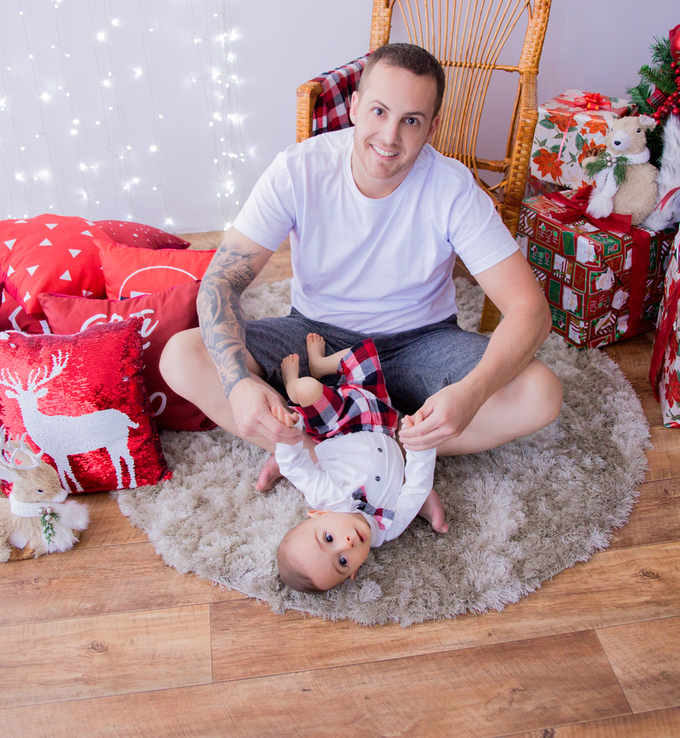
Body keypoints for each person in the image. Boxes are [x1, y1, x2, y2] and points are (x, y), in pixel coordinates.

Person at [160, 42, 562, 491]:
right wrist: (237, 383)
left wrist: (471, 395)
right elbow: (221, 281)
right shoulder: (299, 169)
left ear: (433, 127)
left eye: (411, 120)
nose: (389, 136)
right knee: (181, 356)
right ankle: (339, 455)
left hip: (421, 344)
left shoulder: (453, 188)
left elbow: (530, 310)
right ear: (354, 107)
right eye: (378, 111)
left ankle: (336, 450)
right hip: (315, 335)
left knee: (540, 393)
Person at [272, 334, 445, 593]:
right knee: (365, 358)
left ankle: (294, 382)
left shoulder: (326, 496)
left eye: (329, 538)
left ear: (320, 515)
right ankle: (321, 366)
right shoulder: (389, 527)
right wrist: (421, 446)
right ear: (354, 572)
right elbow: (416, 487)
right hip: (381, 419)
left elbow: (295, 466)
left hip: (338, 424)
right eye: (342, 562)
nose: (347, 543)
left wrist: (291, 432)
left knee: (308, 389)